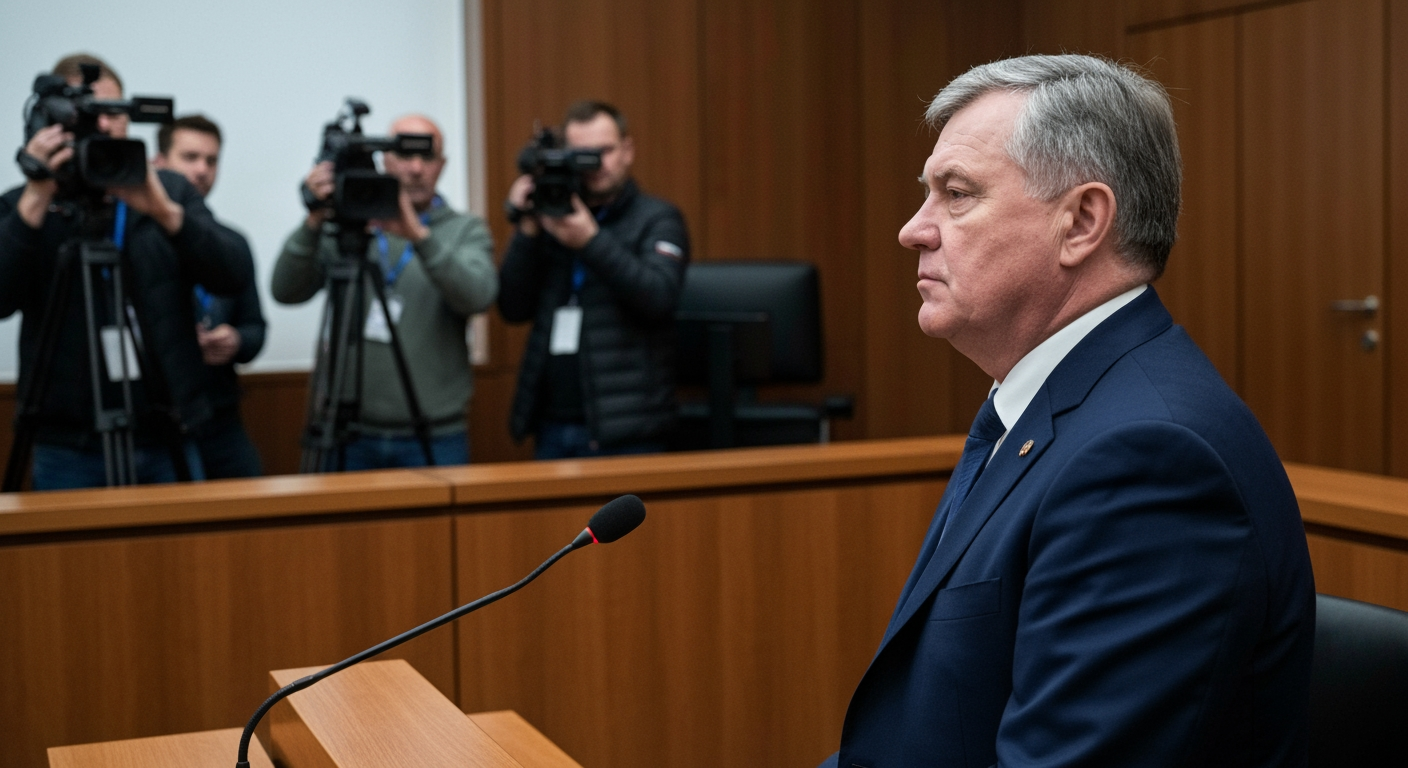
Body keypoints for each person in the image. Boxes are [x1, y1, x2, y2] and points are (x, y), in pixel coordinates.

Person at [829, 55, 1314, 767]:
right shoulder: (1050, 406)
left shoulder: (1150, 461)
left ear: (1082, 222)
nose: (913, 229)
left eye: (956, 194)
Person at [0, 54, 252, 490]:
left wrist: (165, 213)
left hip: (167, 431)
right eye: (86, 113)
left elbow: (232, 273)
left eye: (113, 112)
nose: (103, 125)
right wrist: (37, 194)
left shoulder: (168, 190)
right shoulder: (23, 203)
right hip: (69, 442)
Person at [271, 113, 495, 469]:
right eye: (405, 155)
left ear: (442, 165)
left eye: (427, 157)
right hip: (349, 432)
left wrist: (419, 236)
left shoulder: (464, 230)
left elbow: (478, 296)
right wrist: (314, 219)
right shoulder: (351, 226)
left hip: (434, 434)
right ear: (385, 160)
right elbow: (285, 290)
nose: (416, 168)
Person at [499, 101, 689, 459]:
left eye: (605, 151)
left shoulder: (658, 218)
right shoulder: (553, 217)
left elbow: (658, 297)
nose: (597, 164)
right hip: (553, 424)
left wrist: (590, 240)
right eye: (582, 155)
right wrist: (528, 228)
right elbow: (512, 307)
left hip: (628, 429)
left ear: (627, 151)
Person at [154, 114, 266, 478]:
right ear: (159, 162)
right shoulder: (141, 242)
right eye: (190, 157)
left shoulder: (229, 245)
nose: (202, 170)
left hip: (221, 416)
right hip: (161, 420)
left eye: (211, 160)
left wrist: (236, 340)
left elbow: (255, 328)